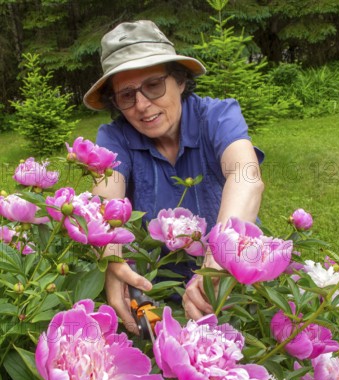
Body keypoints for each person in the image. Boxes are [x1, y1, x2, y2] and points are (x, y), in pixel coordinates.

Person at [83, 20, 264, 334]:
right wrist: (110, 258)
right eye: (126, 95)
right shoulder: (114, 137)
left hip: (233, 275)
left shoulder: (218, 117)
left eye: (154, 85)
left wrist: (217, 261)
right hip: (153, 285)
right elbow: (105, 196)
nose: (142, 105)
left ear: (180, 80)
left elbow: (246, 176)